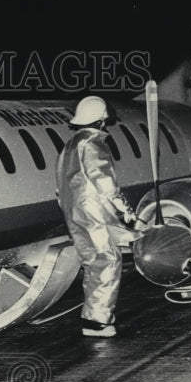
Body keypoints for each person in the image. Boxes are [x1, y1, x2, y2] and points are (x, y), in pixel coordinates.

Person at [56, 95, 137, 337]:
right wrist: (124, 208)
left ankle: (94, 315)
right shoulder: (92, 143)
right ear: (102, 120)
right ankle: (97, 322)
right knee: (108, 261)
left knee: (93, 262)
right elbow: (102, 178)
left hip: (74, 211)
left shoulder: (70, 145)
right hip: (93, 212)